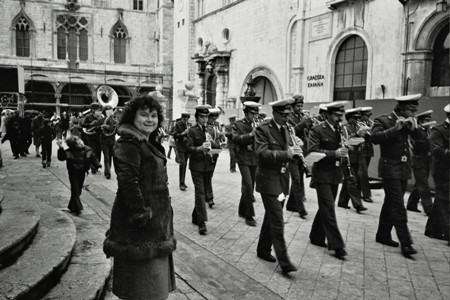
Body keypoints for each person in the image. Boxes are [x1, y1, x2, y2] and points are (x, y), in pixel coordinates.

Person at [103, 95, 176, 300]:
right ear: (132, 117)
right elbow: (128, 182)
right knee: (143, 285)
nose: (149, 120)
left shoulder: (146, 141)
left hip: (156, 223)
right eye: (143, 115)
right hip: (141, 226)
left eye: (153, 115)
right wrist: (141, 215)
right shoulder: (128, 142)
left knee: (151, 284)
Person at [371, 94, 421, 258]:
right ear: (402, 108)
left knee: (390, 202)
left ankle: (383, 234)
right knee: (398, 205)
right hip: (389, 167)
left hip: (403, 168)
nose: (413, 114)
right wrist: (396, 128)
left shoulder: (410, 122)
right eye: (411, 110)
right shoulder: (384, 120)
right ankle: (406, 243)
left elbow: (421, 144)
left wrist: (414, 131)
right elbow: (375, 138)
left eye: (414, 110)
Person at [255, 99, 300, 274]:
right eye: (283, 115)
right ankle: (285, 261)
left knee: (272, 216)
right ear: (274, 113)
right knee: (277, 219)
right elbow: (261, 153)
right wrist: (286, 154)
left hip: (281, 179)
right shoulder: (263, 129)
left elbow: (289, 149)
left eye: (288, 115)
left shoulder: (287, 129)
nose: (286, 118)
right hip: (268, 179)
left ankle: (263, 249)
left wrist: (295, 152)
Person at [307, 101, 348, 259]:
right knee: (329, 208)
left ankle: (316, 236)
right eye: (337, 115)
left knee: (325, 207)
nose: (340, 118)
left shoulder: (340, 130)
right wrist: (334, 154)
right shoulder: (317, 130)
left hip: (335, 174)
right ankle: (336, 245)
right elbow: (312, 151)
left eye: (341, 115)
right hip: (322, 175)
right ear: (329, 115)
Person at [186, 104, 219, 235]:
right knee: (200, 192)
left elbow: (218, 148)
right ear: (197, 117)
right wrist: (199, 149)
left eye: (206, 117)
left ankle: (196, 215)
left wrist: (212, 142)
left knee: (203, 192)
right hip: (196, 166)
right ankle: (202, 222)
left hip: (208, 165)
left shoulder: (210, 130)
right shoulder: (192, 131)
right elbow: (188, 148)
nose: (205, 119)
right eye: (202, 117)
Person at [232, 102, 261, 227]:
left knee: (249, 185)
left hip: (254, 158)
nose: (254, 116)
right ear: (246, 113)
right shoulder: (238, 125)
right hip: (243, 158)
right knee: (248, 184)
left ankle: (242, 210)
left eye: (256, 114)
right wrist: (250, 135)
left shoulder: (259, 124)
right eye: (252, 114)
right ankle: (249, 215)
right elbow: (235, 139)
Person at [57, 135, 101, 215]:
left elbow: (93, 158)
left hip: (82, 172)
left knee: (78, 190)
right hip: (73, 172)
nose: (81, 143)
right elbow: (61, 157)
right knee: (75, 189)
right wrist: (60, 148)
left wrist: (97, 164)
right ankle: (78, 208)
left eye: (80, 141)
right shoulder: (69, 151)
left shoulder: (88, 150)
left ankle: (71, 206)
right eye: (78, 143)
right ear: (73, 145)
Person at [425, 104, 449, 242]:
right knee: (446, 201)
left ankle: (432, 229)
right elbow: (436, 151)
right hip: (442, 170)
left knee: (441, 199)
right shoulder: (438, 130)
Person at [337, 108, 367, 213]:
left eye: (359, 117)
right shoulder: (344, 128)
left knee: (349, 180)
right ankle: (358, 204)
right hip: (347, 157)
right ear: (349, 118)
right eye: (355, 118)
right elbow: (345, 141)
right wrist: (357, 134)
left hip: (357, 157)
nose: (357, 120)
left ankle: (342, 201)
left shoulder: (358, 127)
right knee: (352, 180)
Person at [406, 110, 433, 215]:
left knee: (420, 184)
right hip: (418, 160)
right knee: (424, 186)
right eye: (426, 119)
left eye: (429, 119)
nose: (429, 121)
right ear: (421, 121)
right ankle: (429, 209)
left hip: (427, 160)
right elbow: (420, 143)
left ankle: (411, 204)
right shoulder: (417, 132)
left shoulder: (428, 131)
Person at [286, 94, 308, 218]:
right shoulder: (289, 117)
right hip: (292, 152)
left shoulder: (301, 117)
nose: (300, 108)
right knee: (296, 179)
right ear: (293, 106)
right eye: (298, 106)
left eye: (301, 106)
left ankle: (291, 205)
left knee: (299, 178)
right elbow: (292, 131)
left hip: (301, 152)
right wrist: (304, 123)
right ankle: (301, 209)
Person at [204, 108, 224, 207]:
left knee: (209, 175)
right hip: (208, 153)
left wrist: (221, 139)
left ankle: (205, 193)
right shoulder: (205, 126)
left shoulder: (216, 125)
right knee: (208, 175)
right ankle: (209, 197)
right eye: (212, 117)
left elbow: (218, 136)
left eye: (215, 117)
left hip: (215, 152)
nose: (213, 119)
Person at [81, 102, 104, 173]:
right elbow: (83, 125)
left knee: (98, 152)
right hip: (90, 136)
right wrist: (90, 124)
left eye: (96, 109)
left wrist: (100, 126)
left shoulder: (101, 117)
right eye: (94, 109)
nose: (95, 110)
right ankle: (93, 168)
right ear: (91, 109)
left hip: (99, 136)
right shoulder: (88, 116)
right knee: (92, 151)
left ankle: (97, 165)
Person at [359, 107, 374, 203]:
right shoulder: (359, 124)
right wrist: (370, 128)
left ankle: (357, 192)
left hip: (368, 150)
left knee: (362, 172)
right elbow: (365, 133)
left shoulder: (370, 123)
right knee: (363, 172)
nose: (368, 117)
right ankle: (366, 194)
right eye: (367, 115)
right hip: (361, 150)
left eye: (369, 115)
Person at [173, 112, 191, 191]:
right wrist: (183, 133)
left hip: (187, 147)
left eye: (187, 119)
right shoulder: (177, 124)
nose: (185, 121)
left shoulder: (189, 125)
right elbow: (175, 135)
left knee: (185, 165)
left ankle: (183, 182)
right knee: (182, 164)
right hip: (180, 147)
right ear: (182, 118)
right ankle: (181, 183)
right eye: (184, 119)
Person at [100, 106, 119, 180]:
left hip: (112, 140)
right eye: (107, 110)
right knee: (106, 157)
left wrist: (107, 126)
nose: (109, 112)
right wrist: (101, 126)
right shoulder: (101, 120)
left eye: (110, 110)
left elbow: (114, 128)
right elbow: (98, 127)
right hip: (104, 140)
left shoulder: (114, 120)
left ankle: (107, 170)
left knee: (110, 156)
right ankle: (108, 172)